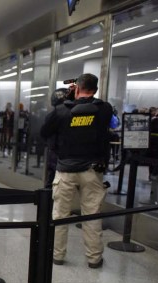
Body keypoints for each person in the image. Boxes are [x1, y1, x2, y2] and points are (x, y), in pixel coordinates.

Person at [40, 73, 113, 269]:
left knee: (60, 215)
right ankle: (94, 258)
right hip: (92, 170)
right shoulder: (104, 109)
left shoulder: (61, 111)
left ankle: (57, 255)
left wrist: (69, 99)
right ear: (96, 90)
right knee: (92, 214)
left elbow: (44, 132)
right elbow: (100, 117)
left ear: (76, 88)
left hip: (65, 170)